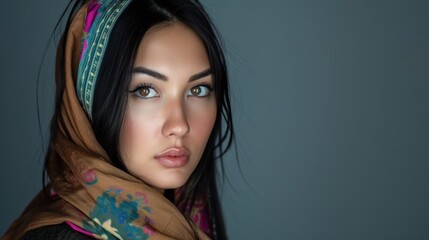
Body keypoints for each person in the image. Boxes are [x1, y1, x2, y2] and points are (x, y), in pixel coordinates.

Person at [2, 0, 233, 239]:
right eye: (145, 91)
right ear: (90, 101)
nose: (180, 125)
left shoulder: (190, 222)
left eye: (198, 90)